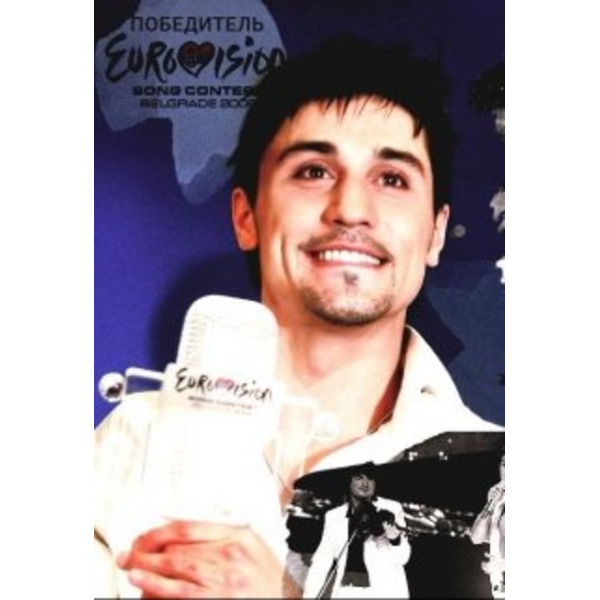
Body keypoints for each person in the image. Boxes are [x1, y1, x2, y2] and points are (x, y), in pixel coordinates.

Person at [95, 36, 502, 598]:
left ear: (434, 233)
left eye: (391, 178)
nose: (351, 209)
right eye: (314, 171)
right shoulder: (130, 441)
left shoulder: (502, 487)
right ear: (247, 216)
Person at [303, 463, 411, 598]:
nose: (365, 483)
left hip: (383, 592)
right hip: (346, 592)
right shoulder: (333, 516)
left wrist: (393, 536)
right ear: (348, 482)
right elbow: (321, 562)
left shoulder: (391, 508)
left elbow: (403, 557)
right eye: (359, 477)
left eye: (370, 478)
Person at [470, 453, 505, 597]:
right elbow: (476, 538)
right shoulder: (497, 496)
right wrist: (490, 505)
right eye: (504, 463)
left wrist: (504, 564)